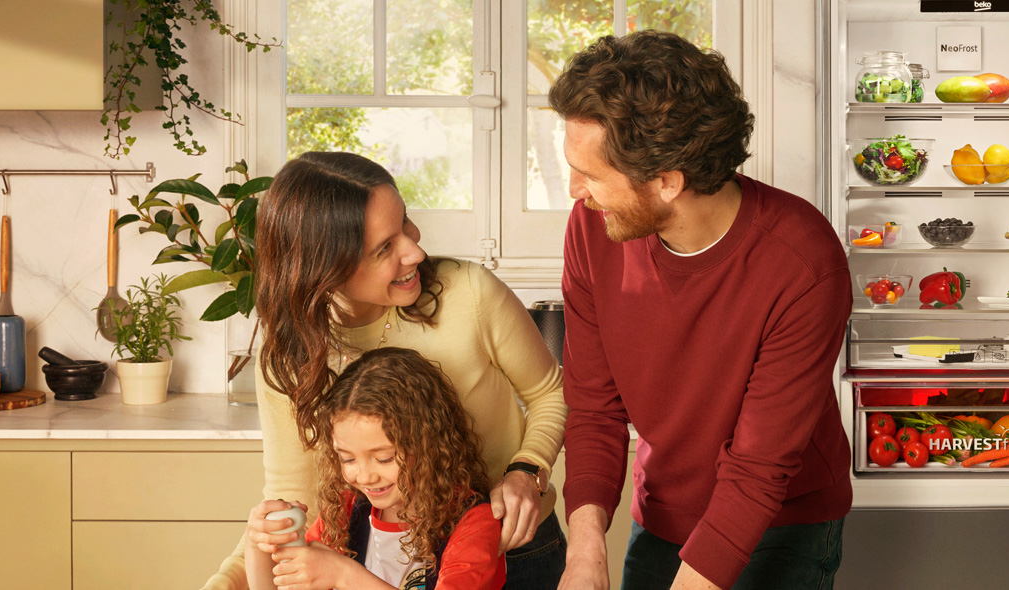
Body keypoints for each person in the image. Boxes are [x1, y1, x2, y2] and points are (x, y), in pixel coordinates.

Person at [551, 31, 853, 590]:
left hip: (784, 524)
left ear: (667, 182)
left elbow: (759, 467)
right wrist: (586, 550)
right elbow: (594, 406)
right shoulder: (592, 228)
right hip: (665, 510)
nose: (574, 190)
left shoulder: (802, 262)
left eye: (590, 174)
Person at [201, 152, 569, 590]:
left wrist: (526, 471)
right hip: (376, 559)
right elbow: (292, 504)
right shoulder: (292, 357)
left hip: (517, 550)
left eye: (405, 225)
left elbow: (551, 392)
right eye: (384, 248)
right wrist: (225, 582)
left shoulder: (469, 294)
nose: (416, 250)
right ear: (325, 271)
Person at [247, 347, 506, 590]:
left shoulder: (474, 522)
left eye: (384, 458)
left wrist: (344, 574)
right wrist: (256, 542)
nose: (365, 476)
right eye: (347, 459)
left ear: (430, 445)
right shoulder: (347, 508)